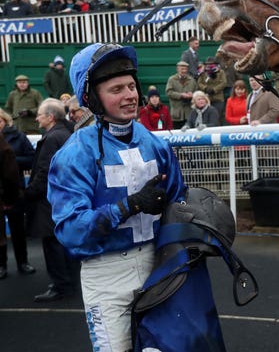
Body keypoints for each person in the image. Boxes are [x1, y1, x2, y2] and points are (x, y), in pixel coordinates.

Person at [48, 42, 186, 351]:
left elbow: (180, 201)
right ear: (90, 98)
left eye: (131, 86)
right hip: (106, 274)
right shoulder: (74, 154)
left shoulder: (156, 145)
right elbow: (70, 231)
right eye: (116, 89)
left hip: (159, 264)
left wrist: (200, 218)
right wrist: (128, 206)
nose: (130, 95)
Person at [25, 98, 79, 302]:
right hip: (63, 199)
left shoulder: (51, 138)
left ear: (50, 117)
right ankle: (69, 282)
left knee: (52, 245)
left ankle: (61, 286)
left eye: (40, 114)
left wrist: (28, 194)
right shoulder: (65, 134)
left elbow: (45, 172)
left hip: (50, 202)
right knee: (62, 243)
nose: (37, 118)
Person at [0, 108, 34, 280]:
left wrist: (12, 160)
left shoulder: (18, 137)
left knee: (18, 230)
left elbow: (31, 158)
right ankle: (1, 265)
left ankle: (23, 262)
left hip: (14, 189)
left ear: (6, 121)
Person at [0, 131, 21, 280]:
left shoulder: (4, 146)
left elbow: (10, 174)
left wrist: (9, 199)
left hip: (6, 195)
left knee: (17, 229)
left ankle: (21, 262)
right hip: (7, 194)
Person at [166, 60, 197, 129]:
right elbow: (169, 92)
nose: (184, 71)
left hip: (189, 112)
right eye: (182, 69)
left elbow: (197, 93)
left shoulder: (192, 80)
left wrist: (192, 95)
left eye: (185, 69)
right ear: (177, 69)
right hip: (177, 113)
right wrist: (181, 95)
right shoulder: (172, 79)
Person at [197, 57, 226, 125]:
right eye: (208, 64)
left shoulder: (221, 72)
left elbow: (224, 83)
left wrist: (214, 90)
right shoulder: (203, 72)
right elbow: (199, 83)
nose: (209, 66)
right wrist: (205, 88)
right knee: (206, 117)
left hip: (218, 98)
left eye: (211, 64)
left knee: (218, 116)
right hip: (206, 99)